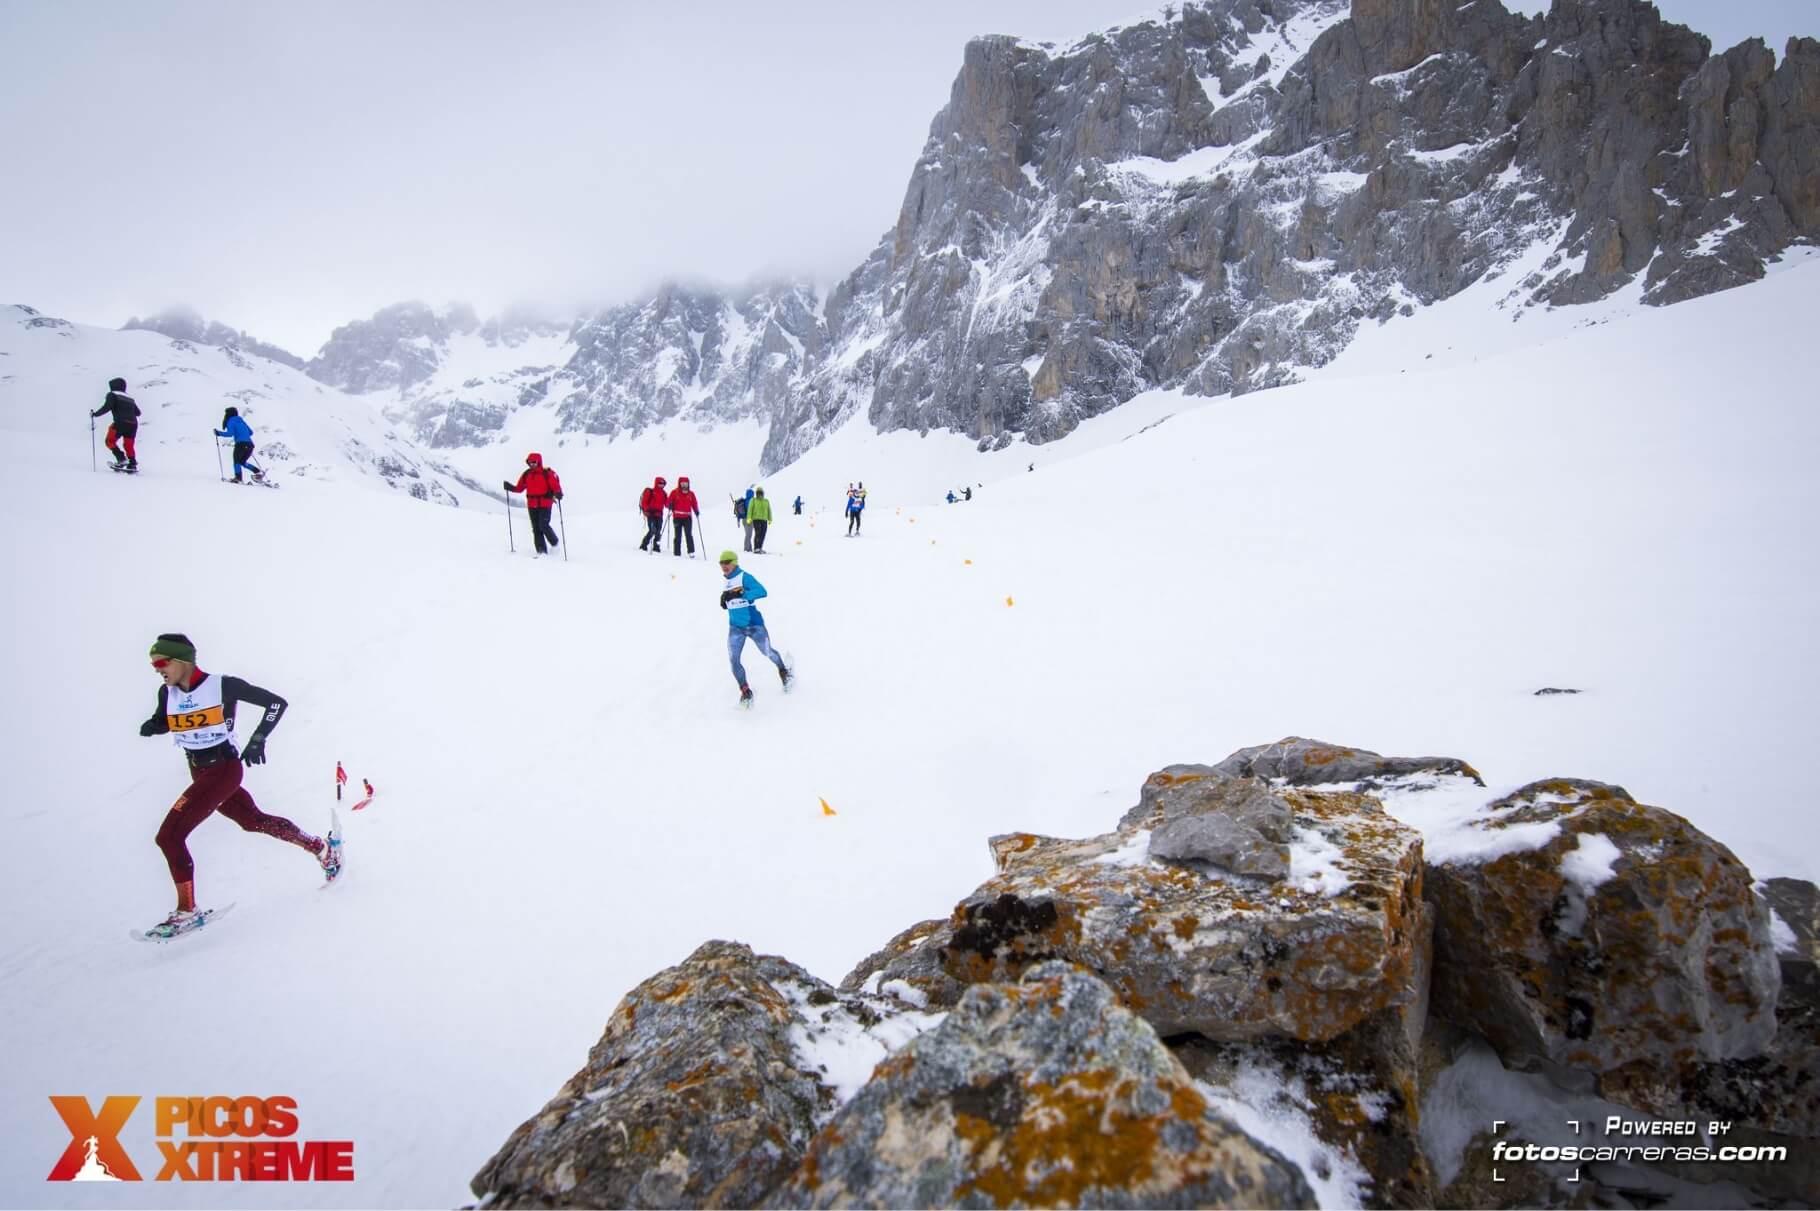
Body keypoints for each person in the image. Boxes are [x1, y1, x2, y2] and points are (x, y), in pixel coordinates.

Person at [136, 633, 337, 938]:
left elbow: (275, 703)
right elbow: (167, 719)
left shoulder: (222, 686)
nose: (156, 669)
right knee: (252, 820)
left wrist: (257, 741)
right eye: (153, 664)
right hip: (199, 772)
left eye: (161, 662)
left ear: (182, 661)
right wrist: (155, 726)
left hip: (224, 770)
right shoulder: (168, 693)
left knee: (169, 836)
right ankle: (321, 848)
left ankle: (187, 910)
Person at [718, 551, 792, 706]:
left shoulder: (744, 577)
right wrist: (726, 600)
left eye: (727, 562)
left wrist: (742, 593)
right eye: (721, 563)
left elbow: (762, 591)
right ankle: (745, 692)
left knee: (767, 651)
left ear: (735, 562)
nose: (724, 565)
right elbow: (733, 599)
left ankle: (784, 671)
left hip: (754, 625)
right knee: (733, 660)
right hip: (735, 628)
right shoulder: (726, 580)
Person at [504, 453, 563, 556]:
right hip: (532, 504)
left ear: (539, 462)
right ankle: (541, 552)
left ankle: (555, 543)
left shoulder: (547, 473)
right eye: (530, 462)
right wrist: (511, 488)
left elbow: (555, 486)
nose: (532, 464)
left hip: (545, 503)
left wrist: (558, 493)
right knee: (536, 528)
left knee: (543, 525)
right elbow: (520, 488)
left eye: (534, 462)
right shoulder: (527, 474)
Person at [90, 377, 140, 471]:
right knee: (128, 444)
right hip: (133, 424)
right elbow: (138, 413)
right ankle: (132, 463)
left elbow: (107, 407)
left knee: (109, 441)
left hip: (120, 423)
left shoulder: (112, 394)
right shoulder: (130, 398)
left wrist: (95, 414)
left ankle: (121, 459)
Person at [214, 407, 265, 483]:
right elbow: (251, 432)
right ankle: (258, 472)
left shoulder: (230, 421)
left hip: (241, 444)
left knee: (236, 461)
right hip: (250, 444)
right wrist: (243, 434)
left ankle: (238, 478)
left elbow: (230, 434)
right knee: (242, 462)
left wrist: (219, 433)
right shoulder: (241, 421)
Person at [669, 475, 699, 557]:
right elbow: (669, 501)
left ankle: (691, 551)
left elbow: (694, 503)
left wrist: (696, 510)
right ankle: (677, 552)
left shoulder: (691, 494)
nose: (684, 485)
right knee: (678, 536)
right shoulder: (674, 492)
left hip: (687, 518)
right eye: (682, 483)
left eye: (686, 483)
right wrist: (670, 505)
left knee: (688, 534)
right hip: (677, 517)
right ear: (679, 484)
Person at [638, 476, 668, 553]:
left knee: (658, 531)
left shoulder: (664, 493)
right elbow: (644, 502)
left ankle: (656, 546)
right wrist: (647, 510)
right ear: (656, 483)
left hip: (659, 515)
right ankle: (644, 544)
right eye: (660, 483)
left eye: (662, 484)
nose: (661, 485)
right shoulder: (650, 491)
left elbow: (666, 504)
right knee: (652, 530)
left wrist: (671, 505)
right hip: (651, 514)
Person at [748, 487, 773, 553]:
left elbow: (769, 510)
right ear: (756, 493)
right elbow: (750, 509)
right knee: (758, 533)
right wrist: (749, 518)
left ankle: (760, 548)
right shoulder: (753, 500)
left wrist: (770, 519)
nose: (759, 494)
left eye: (761, 493)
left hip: (764, 520)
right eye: (758, 493)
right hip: (756, 519)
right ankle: (756, 548)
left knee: (763, 534)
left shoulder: (766, 501)